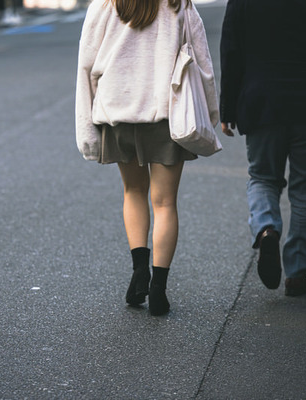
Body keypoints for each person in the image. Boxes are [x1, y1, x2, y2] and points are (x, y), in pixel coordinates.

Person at [76, 0, 218, 315]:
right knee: (165, 203)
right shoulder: (178, 5)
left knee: (133, 191)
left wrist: (87, 126)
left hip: (118, 114)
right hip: (167, 115)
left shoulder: (105, 5)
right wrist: (210, 116)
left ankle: (139, 271)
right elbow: (203, 64)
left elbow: (86, 66)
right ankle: (158, 290)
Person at [219, 0, 306, 296]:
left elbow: (231, 50)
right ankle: (298, 273)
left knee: (262, 178)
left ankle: (266, 229)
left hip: (262, 103)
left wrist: (228, 108)